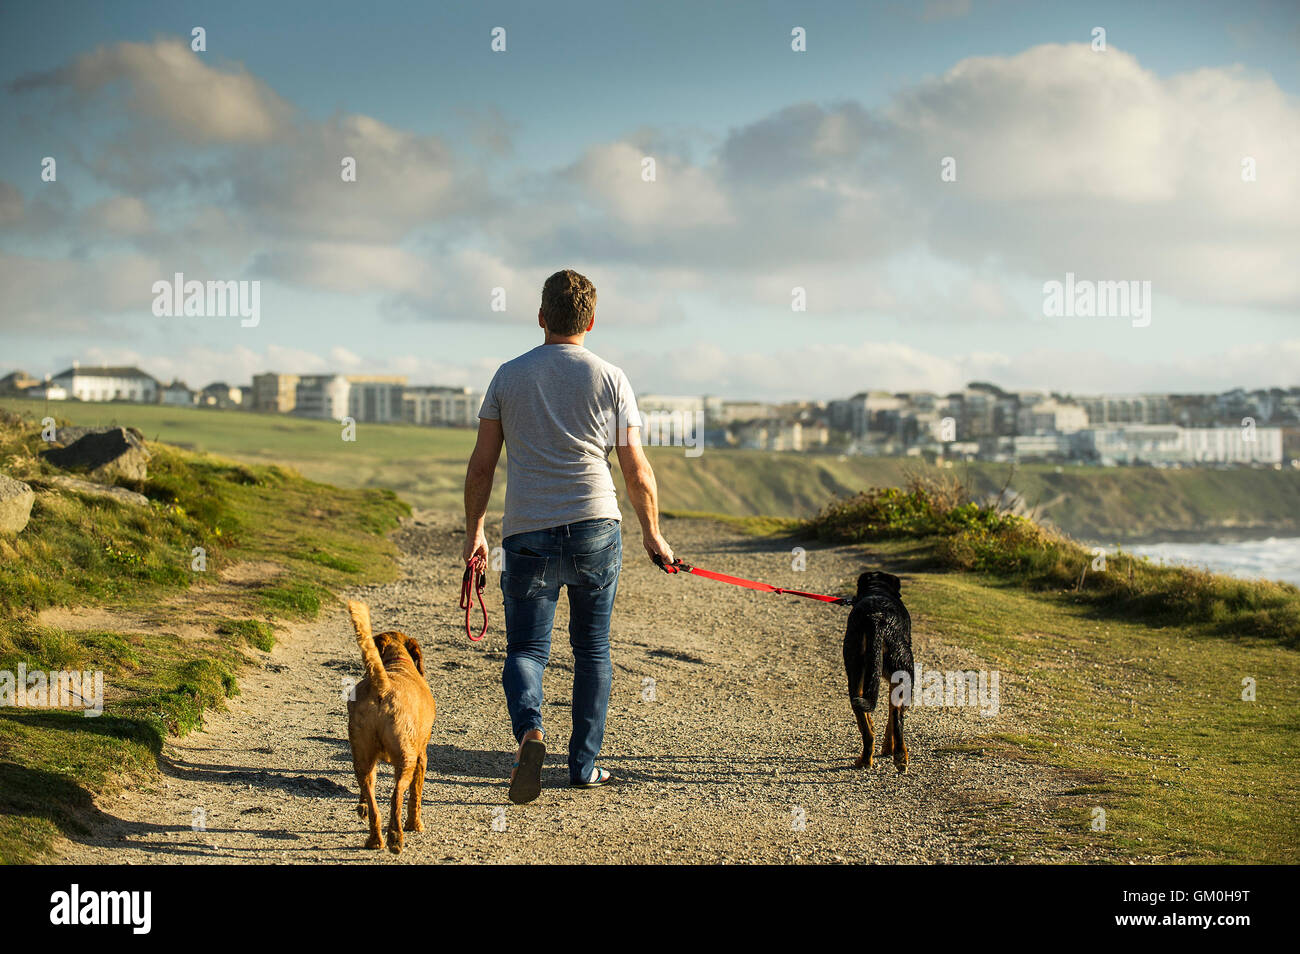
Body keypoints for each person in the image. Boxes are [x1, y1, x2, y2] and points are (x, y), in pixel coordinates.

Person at [463, 268, 674, 804]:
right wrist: (653, 533)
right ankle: (584, 766)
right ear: (592, 321)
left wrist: (475, 533)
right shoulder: (612, 378)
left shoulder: (508, 376)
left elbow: (482, 465)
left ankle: (530, 732)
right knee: (592, 650)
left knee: (528, 650)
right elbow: (636, 468)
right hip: (595, 527)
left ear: (540, 318)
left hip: (526, 531)